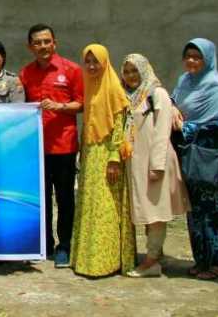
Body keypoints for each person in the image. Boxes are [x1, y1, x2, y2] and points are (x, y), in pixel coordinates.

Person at [19, 24, 84, 268]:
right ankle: (44, 244)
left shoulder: (72, 70)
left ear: (54, 42)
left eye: (47, 41)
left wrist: (60, 107)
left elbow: (82, 103)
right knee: (41, 199)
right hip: (35, 148)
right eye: (37, 42)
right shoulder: (25, 74)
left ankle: (64, 246)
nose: (43, 46)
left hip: (64, 147)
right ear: (30, 47)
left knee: (65, 198)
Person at [121, 54, 189, 278]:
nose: (131, 76)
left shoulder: (156, 93)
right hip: (135, 161)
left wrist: (157, 165)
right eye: (127, 71)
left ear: (145, 70)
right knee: (146, 209)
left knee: (156, 210)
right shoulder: (129, 96)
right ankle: (155, 255)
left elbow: (162, 131)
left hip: (153, 160)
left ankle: (151, 262)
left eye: (135, 71)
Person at [70, 44, 135, 277]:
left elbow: (120, 126)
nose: (91, 66)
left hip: (108, 154)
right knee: (90, 205)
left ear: (105, 62)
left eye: (95, 61)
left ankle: (106, 261)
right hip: (90, 153)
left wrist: (115, 158)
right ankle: (87, 259)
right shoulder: (89, 86)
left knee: (106, 207)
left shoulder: (114, 88)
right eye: (87, 61)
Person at [171, 38, 218, 281]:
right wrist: (173, 108)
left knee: (215, 208)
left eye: (197, 57)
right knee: (194, 208)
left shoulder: (214, 86)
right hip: (188, 152)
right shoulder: (184, 81)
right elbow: (174, 102)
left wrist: (186, 126)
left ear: (207, 59)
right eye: (188, 56)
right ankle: (201, 259)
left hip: (211, 152)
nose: (191, 61)